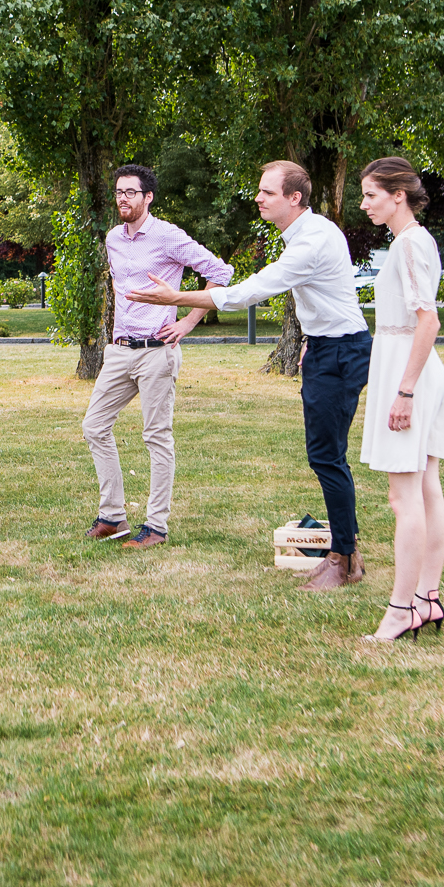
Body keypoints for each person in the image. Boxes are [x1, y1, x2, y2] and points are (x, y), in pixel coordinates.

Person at [124, 160, 371, 590]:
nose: (258, 198)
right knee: (326, 454)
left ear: (294, 198)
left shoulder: (310, 241)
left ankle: (344, 559)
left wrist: (178, 296)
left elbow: (251, 290)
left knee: (328, 457)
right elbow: (331, 294)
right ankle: (344, 552)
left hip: (341, 352)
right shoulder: (311, 233)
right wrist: (314, 336)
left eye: (267, 192)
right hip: (329, 346)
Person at [83, 164, 235, 549]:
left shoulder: (168, 236)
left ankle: (156, 527)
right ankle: (113, 516)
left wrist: (188, 321)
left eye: (131, 192)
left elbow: (220, 272)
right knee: (94, 426)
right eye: (119, 192)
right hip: (119, 351)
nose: (123, 198)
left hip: (157, 352)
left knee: (156, 437)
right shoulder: (113, 238)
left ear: (148, 197)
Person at [356, 158, 444, 640]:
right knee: (426, 488)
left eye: (370, 194)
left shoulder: (412, 242)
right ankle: (426, 599)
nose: (364, 204)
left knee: (404, 497)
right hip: (415, 369)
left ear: (399, 195)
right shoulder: (411, 243)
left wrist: (405, 391)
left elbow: (428, 320)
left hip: (409, 371)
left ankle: (400, 609)